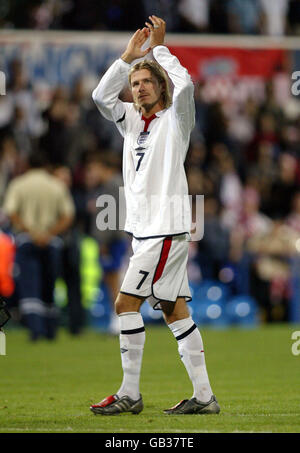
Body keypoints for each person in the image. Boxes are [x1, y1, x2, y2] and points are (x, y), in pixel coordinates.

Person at [90, 15, 220, 416]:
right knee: (174, 311)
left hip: (165, 229)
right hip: (146, 231)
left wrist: (159, 50)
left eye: (146, 81)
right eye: (134, 83)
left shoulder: (176, 122)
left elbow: (187, 86)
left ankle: (130, 393)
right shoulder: (131, 123)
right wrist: (128, 59)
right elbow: (100, 97)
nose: (138, 87)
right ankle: (204, 398)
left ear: (159, 86)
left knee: (125, 304)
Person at [3, 152, 75, 341]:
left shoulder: (19, 184)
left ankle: (35, 331)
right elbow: (68, 215)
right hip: (52, 242)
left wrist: (32, 232)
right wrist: (49, 234)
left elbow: (11, 212)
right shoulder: (56, 185)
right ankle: (51, 331)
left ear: (28, 165)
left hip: (26, 240)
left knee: (30, 286)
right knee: (49, 285)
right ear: (46, 167)